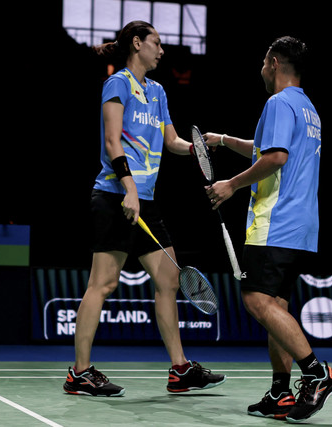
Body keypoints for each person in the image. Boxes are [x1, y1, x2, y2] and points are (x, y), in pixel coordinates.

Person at [62, 21, 226, 397]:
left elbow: (170, 141)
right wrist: (129, 189)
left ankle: (180, 370)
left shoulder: (158, 92)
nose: (162, 50)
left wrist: (196, 147)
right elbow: (112, 140)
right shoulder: (117, 83)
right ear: (137, 44)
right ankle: (79, 372)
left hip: (145, 202)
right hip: (115, 196)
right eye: (156, 43)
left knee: (168, 281)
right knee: (102, 284)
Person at [204, 36, 332, 422]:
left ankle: (317, 373)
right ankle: (281, 390)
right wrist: (226, 140)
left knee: (256, 301)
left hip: (275, 221)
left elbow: (276, 157)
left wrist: (231, 185)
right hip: (301, 224)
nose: (262, 69)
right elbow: (267, 148)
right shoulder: (307, 108)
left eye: (264, 62)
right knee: (276, 306)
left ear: (275, 62)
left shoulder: (278, 102)